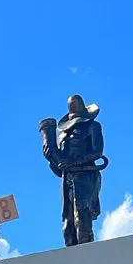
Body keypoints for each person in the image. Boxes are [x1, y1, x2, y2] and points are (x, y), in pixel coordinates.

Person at [38, 95, 105, 247]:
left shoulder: (93, 127)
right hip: (67, 179)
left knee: (82, 215)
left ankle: (87, 252)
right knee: (68, 223)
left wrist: (75, 162)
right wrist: (53, 159)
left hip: (86, 176)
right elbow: (59, 168)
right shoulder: (63, 136)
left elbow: (97, 151)